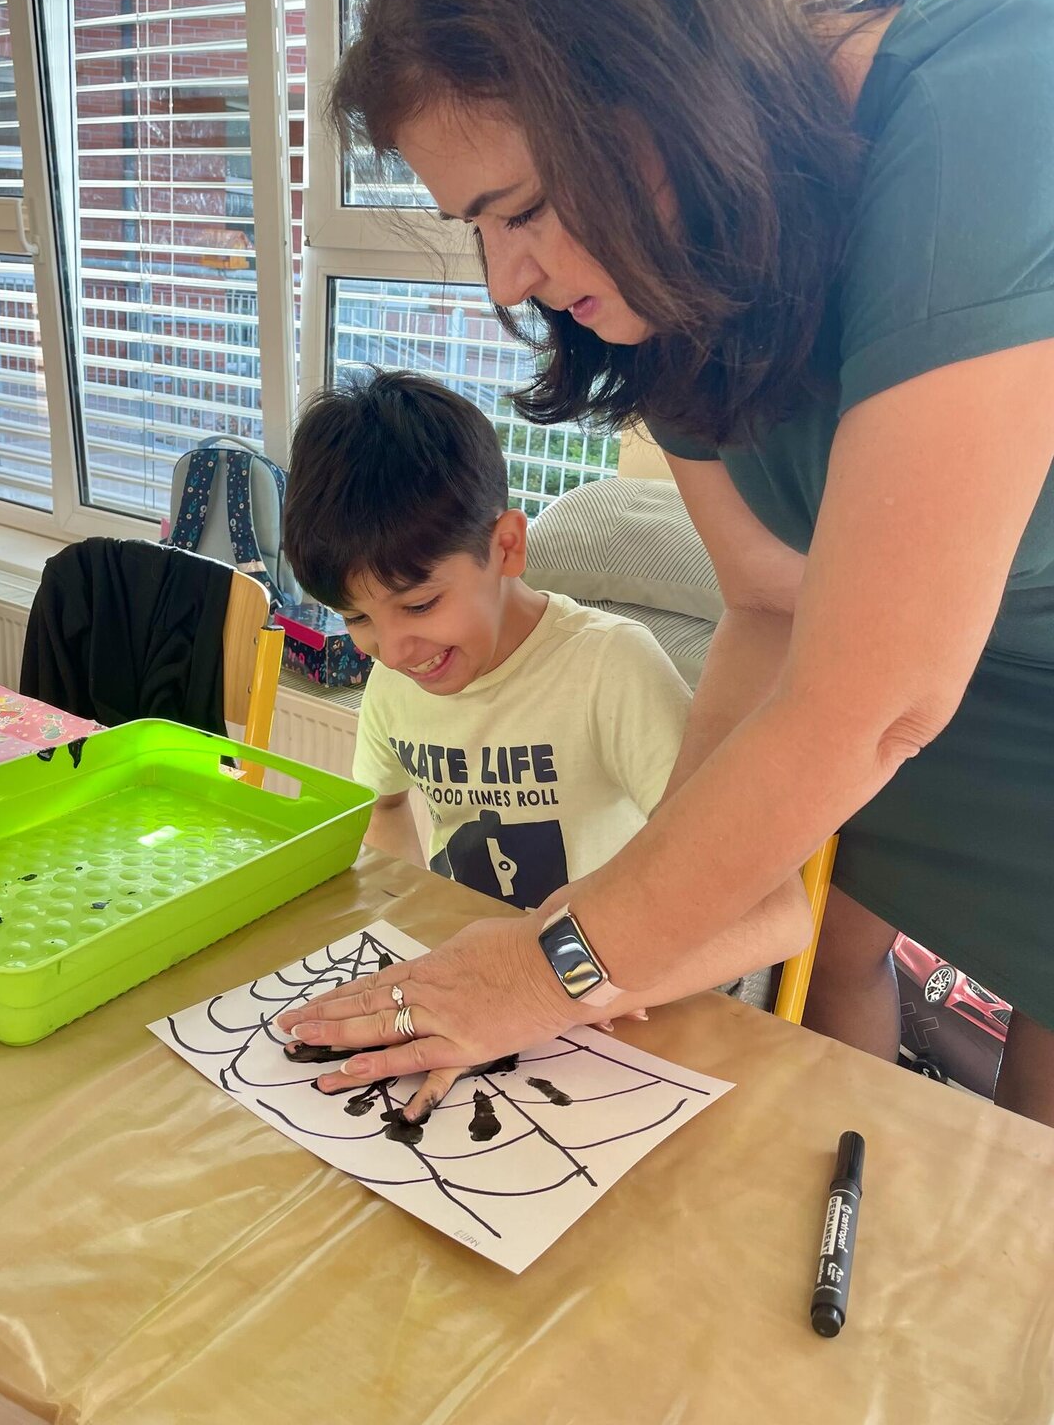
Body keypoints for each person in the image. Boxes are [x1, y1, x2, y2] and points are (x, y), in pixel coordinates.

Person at [279, 0, 1054, 1125]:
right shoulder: (673, 272)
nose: (510, 279)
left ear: (657, 91)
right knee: (825, 960)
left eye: (524, 210)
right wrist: (627, 926)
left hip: (945, 667)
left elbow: (872, 704)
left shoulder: (992, 111)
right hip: (891, 668)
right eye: (478, 229)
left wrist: (552, 964)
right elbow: (768, 601)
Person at [282, 370, 811, 1112]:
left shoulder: (608, 667)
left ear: (506, 546)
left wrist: (579, 990)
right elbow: (385, 806)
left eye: (421, 604)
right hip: (478, 995)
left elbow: (777, 915)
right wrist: (413, 930)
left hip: (611, 1016)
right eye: (357, 619)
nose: (393, 650)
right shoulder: (398, 680)